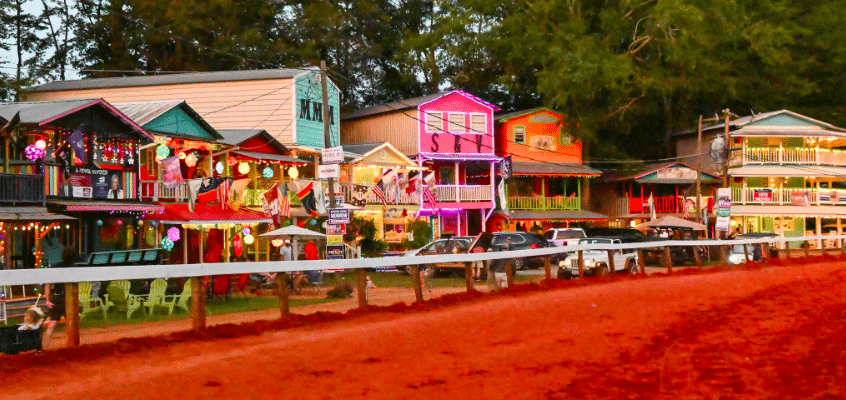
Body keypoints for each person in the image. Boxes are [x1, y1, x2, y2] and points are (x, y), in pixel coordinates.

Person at [42, 247, 77, 348]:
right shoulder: (75, 268)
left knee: (52, 323)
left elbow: (48, 284)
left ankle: (45, 346)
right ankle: (71, 346)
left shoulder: (56, 267)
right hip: (68, 299)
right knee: (71, 323)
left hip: (57, 298)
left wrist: (48, 300)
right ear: (74, 257)